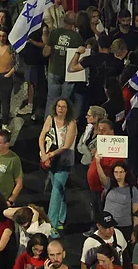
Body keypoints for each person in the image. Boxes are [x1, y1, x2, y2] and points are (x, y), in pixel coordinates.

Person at [39, 98, 77, 235]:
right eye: (58, 106)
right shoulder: (50, 119)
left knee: (55, 193)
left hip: (64, 160)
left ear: (68, 109)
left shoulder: (71, 123)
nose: (60, 109)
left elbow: (67, 145)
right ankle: (61, 218)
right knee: (59, 189)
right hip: (50, 159)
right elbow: (41, 137)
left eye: (64, 106)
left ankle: (51, 226)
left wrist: (50, 155)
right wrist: (44, 154)